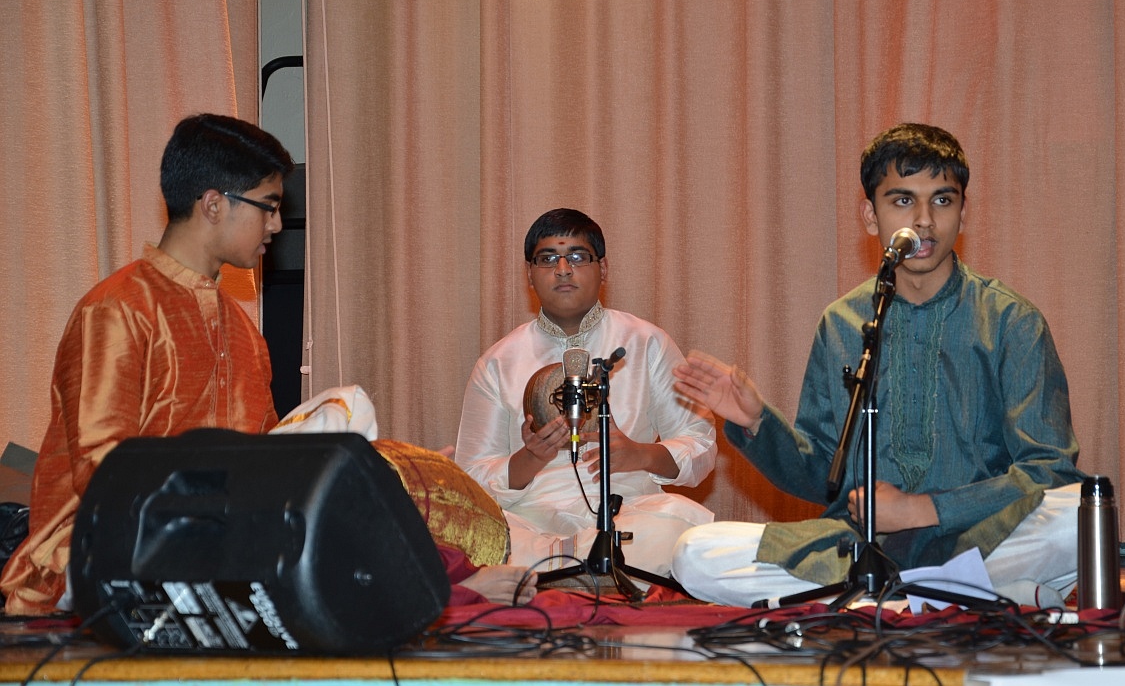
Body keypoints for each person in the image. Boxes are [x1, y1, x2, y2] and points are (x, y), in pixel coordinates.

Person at [1, 114, 530, 615]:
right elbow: (104, 471)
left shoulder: (242, 332)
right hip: (105, 546)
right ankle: (436, 588)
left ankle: (435, 582)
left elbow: (266, 462)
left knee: (341, 443)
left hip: (219, 537)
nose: (276, 224)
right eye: (267, 206)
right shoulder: (117, 309)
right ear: (214, 204)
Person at [670, 123, 1086, 608]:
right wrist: (757, 422)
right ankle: (950, 596)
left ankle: (895, 600)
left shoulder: (1011, 321)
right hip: (860, 545)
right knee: (695, 552)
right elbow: (824, 476)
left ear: (964, 212)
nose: (924, 221)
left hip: (978, 535)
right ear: (871, 216)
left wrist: (922, 510)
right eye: (903, 200)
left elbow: (1049, 470)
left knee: (1080, 514)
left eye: (942, 200)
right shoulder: (843, 323)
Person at [455, 208, 717, 578]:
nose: (563, 269)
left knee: (676, 527)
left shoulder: (646, 343)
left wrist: (640, 454)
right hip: (530, 521)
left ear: (602, 269)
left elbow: (700, 442)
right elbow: (472, 476)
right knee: (472, 538)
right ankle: (584, 574)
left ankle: (556, 578)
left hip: (628, 514)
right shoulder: (498, 362)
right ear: (529, 274)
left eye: (577, 257)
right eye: (548, 259)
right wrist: (530, 458)